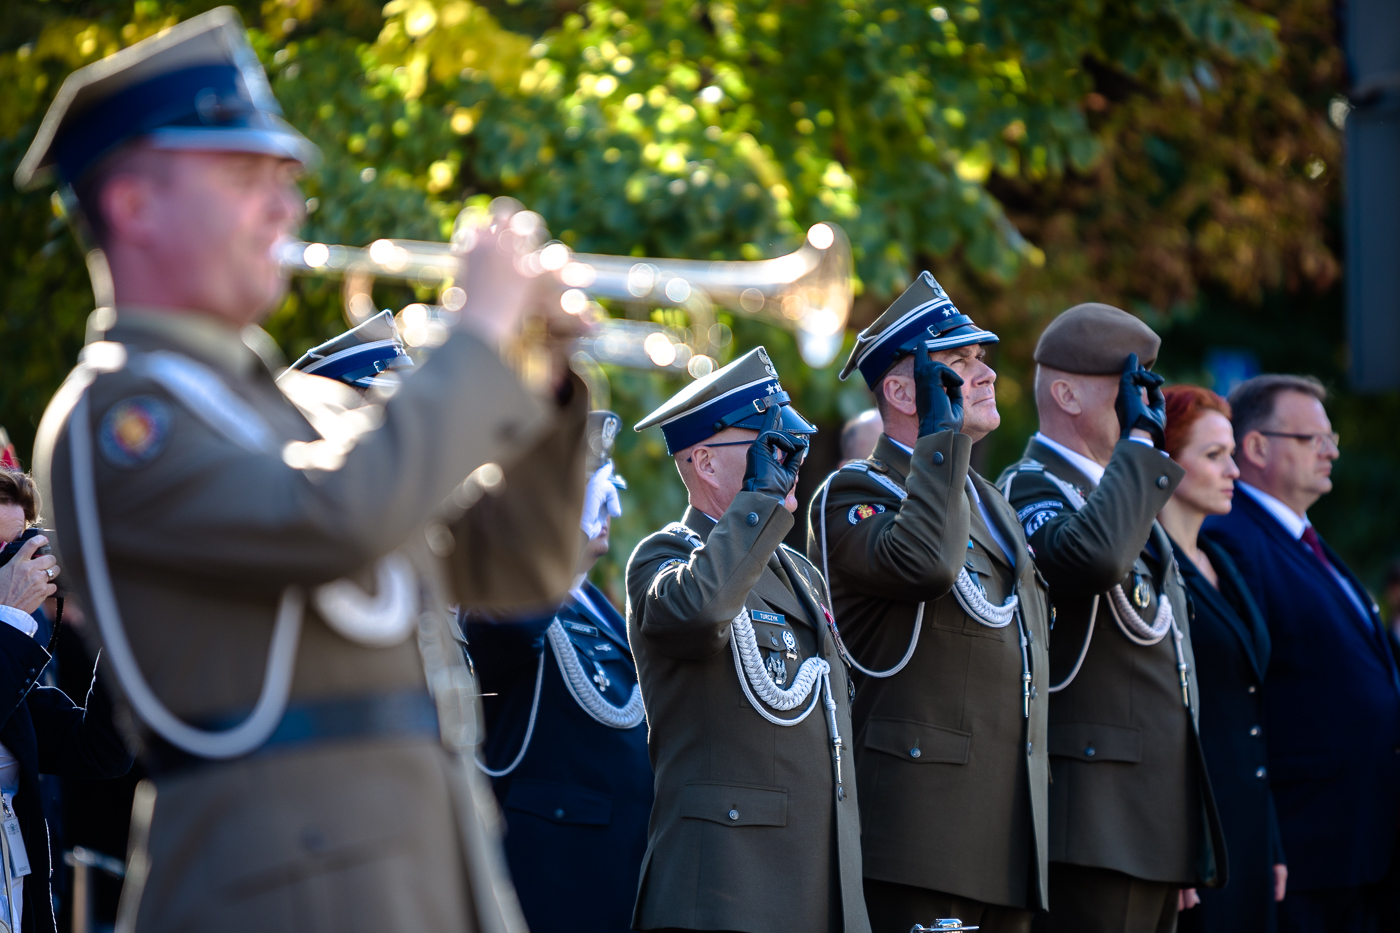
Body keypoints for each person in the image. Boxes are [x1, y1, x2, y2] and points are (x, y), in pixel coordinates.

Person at [19, 8, 590, 932]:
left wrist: (545, 387)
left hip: (429, 879)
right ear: (134, 204)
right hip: (275, 892)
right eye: (248, 176)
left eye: (287, 181)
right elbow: (336, 518)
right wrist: (476, 340)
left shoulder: (310, 408)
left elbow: (514, 569)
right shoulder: (120, 418)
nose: (287, 206)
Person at [808, 272, 1051, 933]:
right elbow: (927, 562)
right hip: (921, 837)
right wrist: (943, 440)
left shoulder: (988, 498)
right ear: (900, 388)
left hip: (1006, 837)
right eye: (958, 362)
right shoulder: (853, 492)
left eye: (981, 358)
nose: (985, 373)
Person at [997, 303, 1225, 933]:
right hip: (1095, 825)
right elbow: (1089, 560)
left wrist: (1178, 832)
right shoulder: (1030, 487)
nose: (1140, 405)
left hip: (1147, 824)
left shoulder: (1118, 496)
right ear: (1065, 393)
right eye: (1127, 389)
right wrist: (1142, 442)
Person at [626, 346, 868, 933]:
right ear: (705, 464)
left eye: (790, 444)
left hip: (814, 885)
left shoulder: (797, 571)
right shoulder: (666, 557)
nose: (791, 459)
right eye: (769, 445)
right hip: (726, 891)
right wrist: (760, 500)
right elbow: (701, 612)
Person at [1202, 375, 1400, 933]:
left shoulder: (1302, 539)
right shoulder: (1233, 536)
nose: (1332, 450)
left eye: (1331, 437)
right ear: (1259, 447)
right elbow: (1239, 691)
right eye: (1314, 438)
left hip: (1358, 840)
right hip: (1307, 842)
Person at [464, 411, 653, 933]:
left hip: (617, 867)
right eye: (586, 488)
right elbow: (502, 641)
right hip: (554, 873)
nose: (604, 504)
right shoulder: (503, 586)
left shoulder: (594, 600)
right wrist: (557, 545)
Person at [1155, 387, 1286, 933]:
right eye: (1213, 456)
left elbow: (1250, 711)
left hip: (1247, 823)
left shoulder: (1222, 562)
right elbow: (1155, 717)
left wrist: (1271, 834)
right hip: (1195, 835)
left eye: (1230, 453)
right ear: (1163, 466)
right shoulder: (1146, 566)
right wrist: (1171, 839)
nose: (1233, 470)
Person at [0, 470, 133, 933]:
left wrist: (120, 622)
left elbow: (99, 751)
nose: (15, 566)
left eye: (17, 546)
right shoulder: (11, 640)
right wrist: (10, 618)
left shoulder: (11, 668)